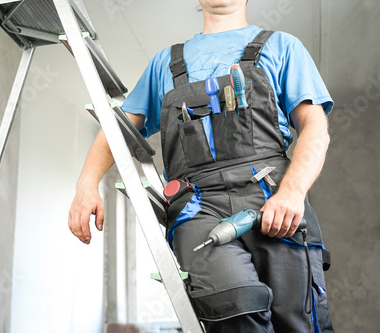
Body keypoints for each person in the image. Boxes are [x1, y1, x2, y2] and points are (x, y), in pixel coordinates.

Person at [68, 0, 335, 332]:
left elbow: (315, 128)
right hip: (197, 206)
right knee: (237, 310)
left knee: (298, 321)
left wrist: (292, 192)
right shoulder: (164, 64)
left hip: (274, 199)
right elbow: (117, 128)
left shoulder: (283, 46)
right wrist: (86, 184)